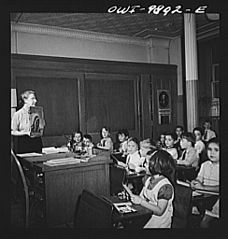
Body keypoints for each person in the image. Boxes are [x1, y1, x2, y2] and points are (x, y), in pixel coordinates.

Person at [130, 150, 176, 228]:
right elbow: (141, 197)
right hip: (147, 217)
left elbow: (160, 211)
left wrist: (141, 201)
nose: (144, 165)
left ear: (157, 166)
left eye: (147, 163)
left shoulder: (165, 186)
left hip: (159, 223)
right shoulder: (149, 180)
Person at [190, 137, 219, 228]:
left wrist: (203, 187)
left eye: (216, 150)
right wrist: (195, 182)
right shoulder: (205, 164)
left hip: (216, 197)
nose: (212, 153)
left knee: (204, 223)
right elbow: (199, 178)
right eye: (209, 149)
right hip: (204, 195)